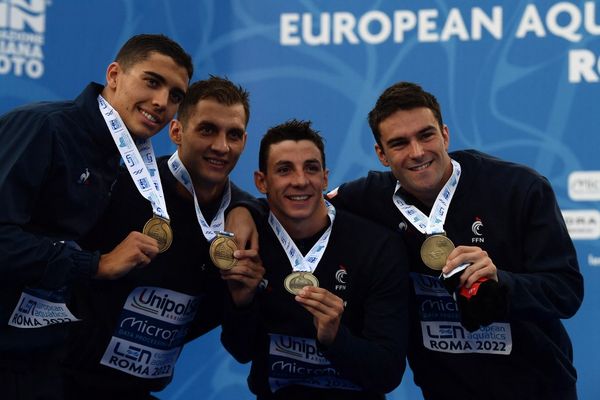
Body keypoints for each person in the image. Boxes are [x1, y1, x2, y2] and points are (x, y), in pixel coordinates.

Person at [325, 82, 584, 399]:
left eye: (426, 135)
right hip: (444, 390)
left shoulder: (519, 188)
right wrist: (244, 210)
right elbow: (301, 204)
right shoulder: (370, 198)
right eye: (399, 143)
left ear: (445, 134)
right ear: (381, 154)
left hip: (536, 388)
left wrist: (501, 281)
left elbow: (566, 291)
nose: (418, 152)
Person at [0, 34, 193, 399]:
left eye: (176, 95)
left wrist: (244, 208)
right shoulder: (43, 127)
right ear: (115, 74)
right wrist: (94, 264)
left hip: (40, 358)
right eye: (152, 81)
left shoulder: (113, 157)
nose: (161, 102)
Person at [61, 76, 263, 399]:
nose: (221, 146)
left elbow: (242, 349)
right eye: (207, 129)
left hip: (140, 391)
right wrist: (99, 263)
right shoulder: (121, 185)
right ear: (176, 131)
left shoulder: (243, 226)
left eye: (234, 135)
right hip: (63, 382)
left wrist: (243, 302)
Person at [221, 119, 410, 400]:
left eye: (311, 168)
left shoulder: (378, 246)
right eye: (284, 170)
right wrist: (241, 303)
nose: (300, 180)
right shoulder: (249, 242)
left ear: (325, 177)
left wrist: (336, 338)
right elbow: (241, 351)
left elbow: (387, 373)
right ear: (262, 181)